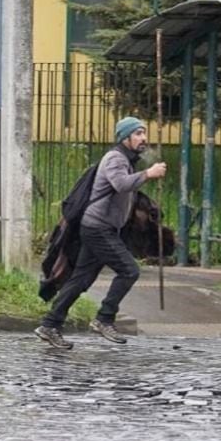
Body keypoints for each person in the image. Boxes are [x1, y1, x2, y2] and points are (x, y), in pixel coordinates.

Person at [35, 116, 167, 350]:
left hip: (101, 227)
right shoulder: (115, 158)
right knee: (129, 270)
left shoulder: (127, 159)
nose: (143, 138)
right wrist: (149, 174)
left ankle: (50, 324)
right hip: (98, 228)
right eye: (137, 133)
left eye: (144, 133)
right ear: (124, 138)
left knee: (81, 279)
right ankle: (104, 318)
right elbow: (121, 184)